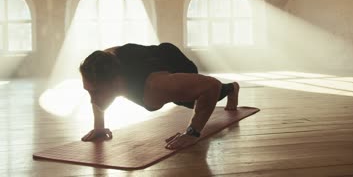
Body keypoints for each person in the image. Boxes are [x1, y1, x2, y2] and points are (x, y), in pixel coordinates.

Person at [79, 42, 240, 150]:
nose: (92, 99)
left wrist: (192, 132)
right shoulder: (101, 65)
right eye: (89, 91)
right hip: (148, 58)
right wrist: (99, 126)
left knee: (193, 102)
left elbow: (212, 86)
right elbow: (96, 89)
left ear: (116, 82)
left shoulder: (156, 85)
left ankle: (232, 88)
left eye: (96, 92)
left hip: (173, 60)